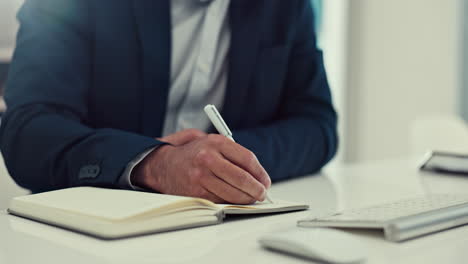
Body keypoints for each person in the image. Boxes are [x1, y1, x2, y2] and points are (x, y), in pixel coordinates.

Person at [0, 0, 337, 204]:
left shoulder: (287, 6)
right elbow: (27, 131)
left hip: (229, 233)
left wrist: (217, 162)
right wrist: (155, 165)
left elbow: (318, 126)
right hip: (92, 237)